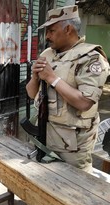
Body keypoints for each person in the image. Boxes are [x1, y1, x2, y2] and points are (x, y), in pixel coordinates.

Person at [26, 5, 109, 173]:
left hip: (73, 146)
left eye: (51, 31)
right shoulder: (48, 54)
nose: (47, 36)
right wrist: (35, 77)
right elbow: (31, 93)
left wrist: (51, 78)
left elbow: (85, 102)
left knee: (72, 191)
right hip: (44, 135)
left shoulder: (91, 58)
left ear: (68, 29)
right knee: (42, 185)